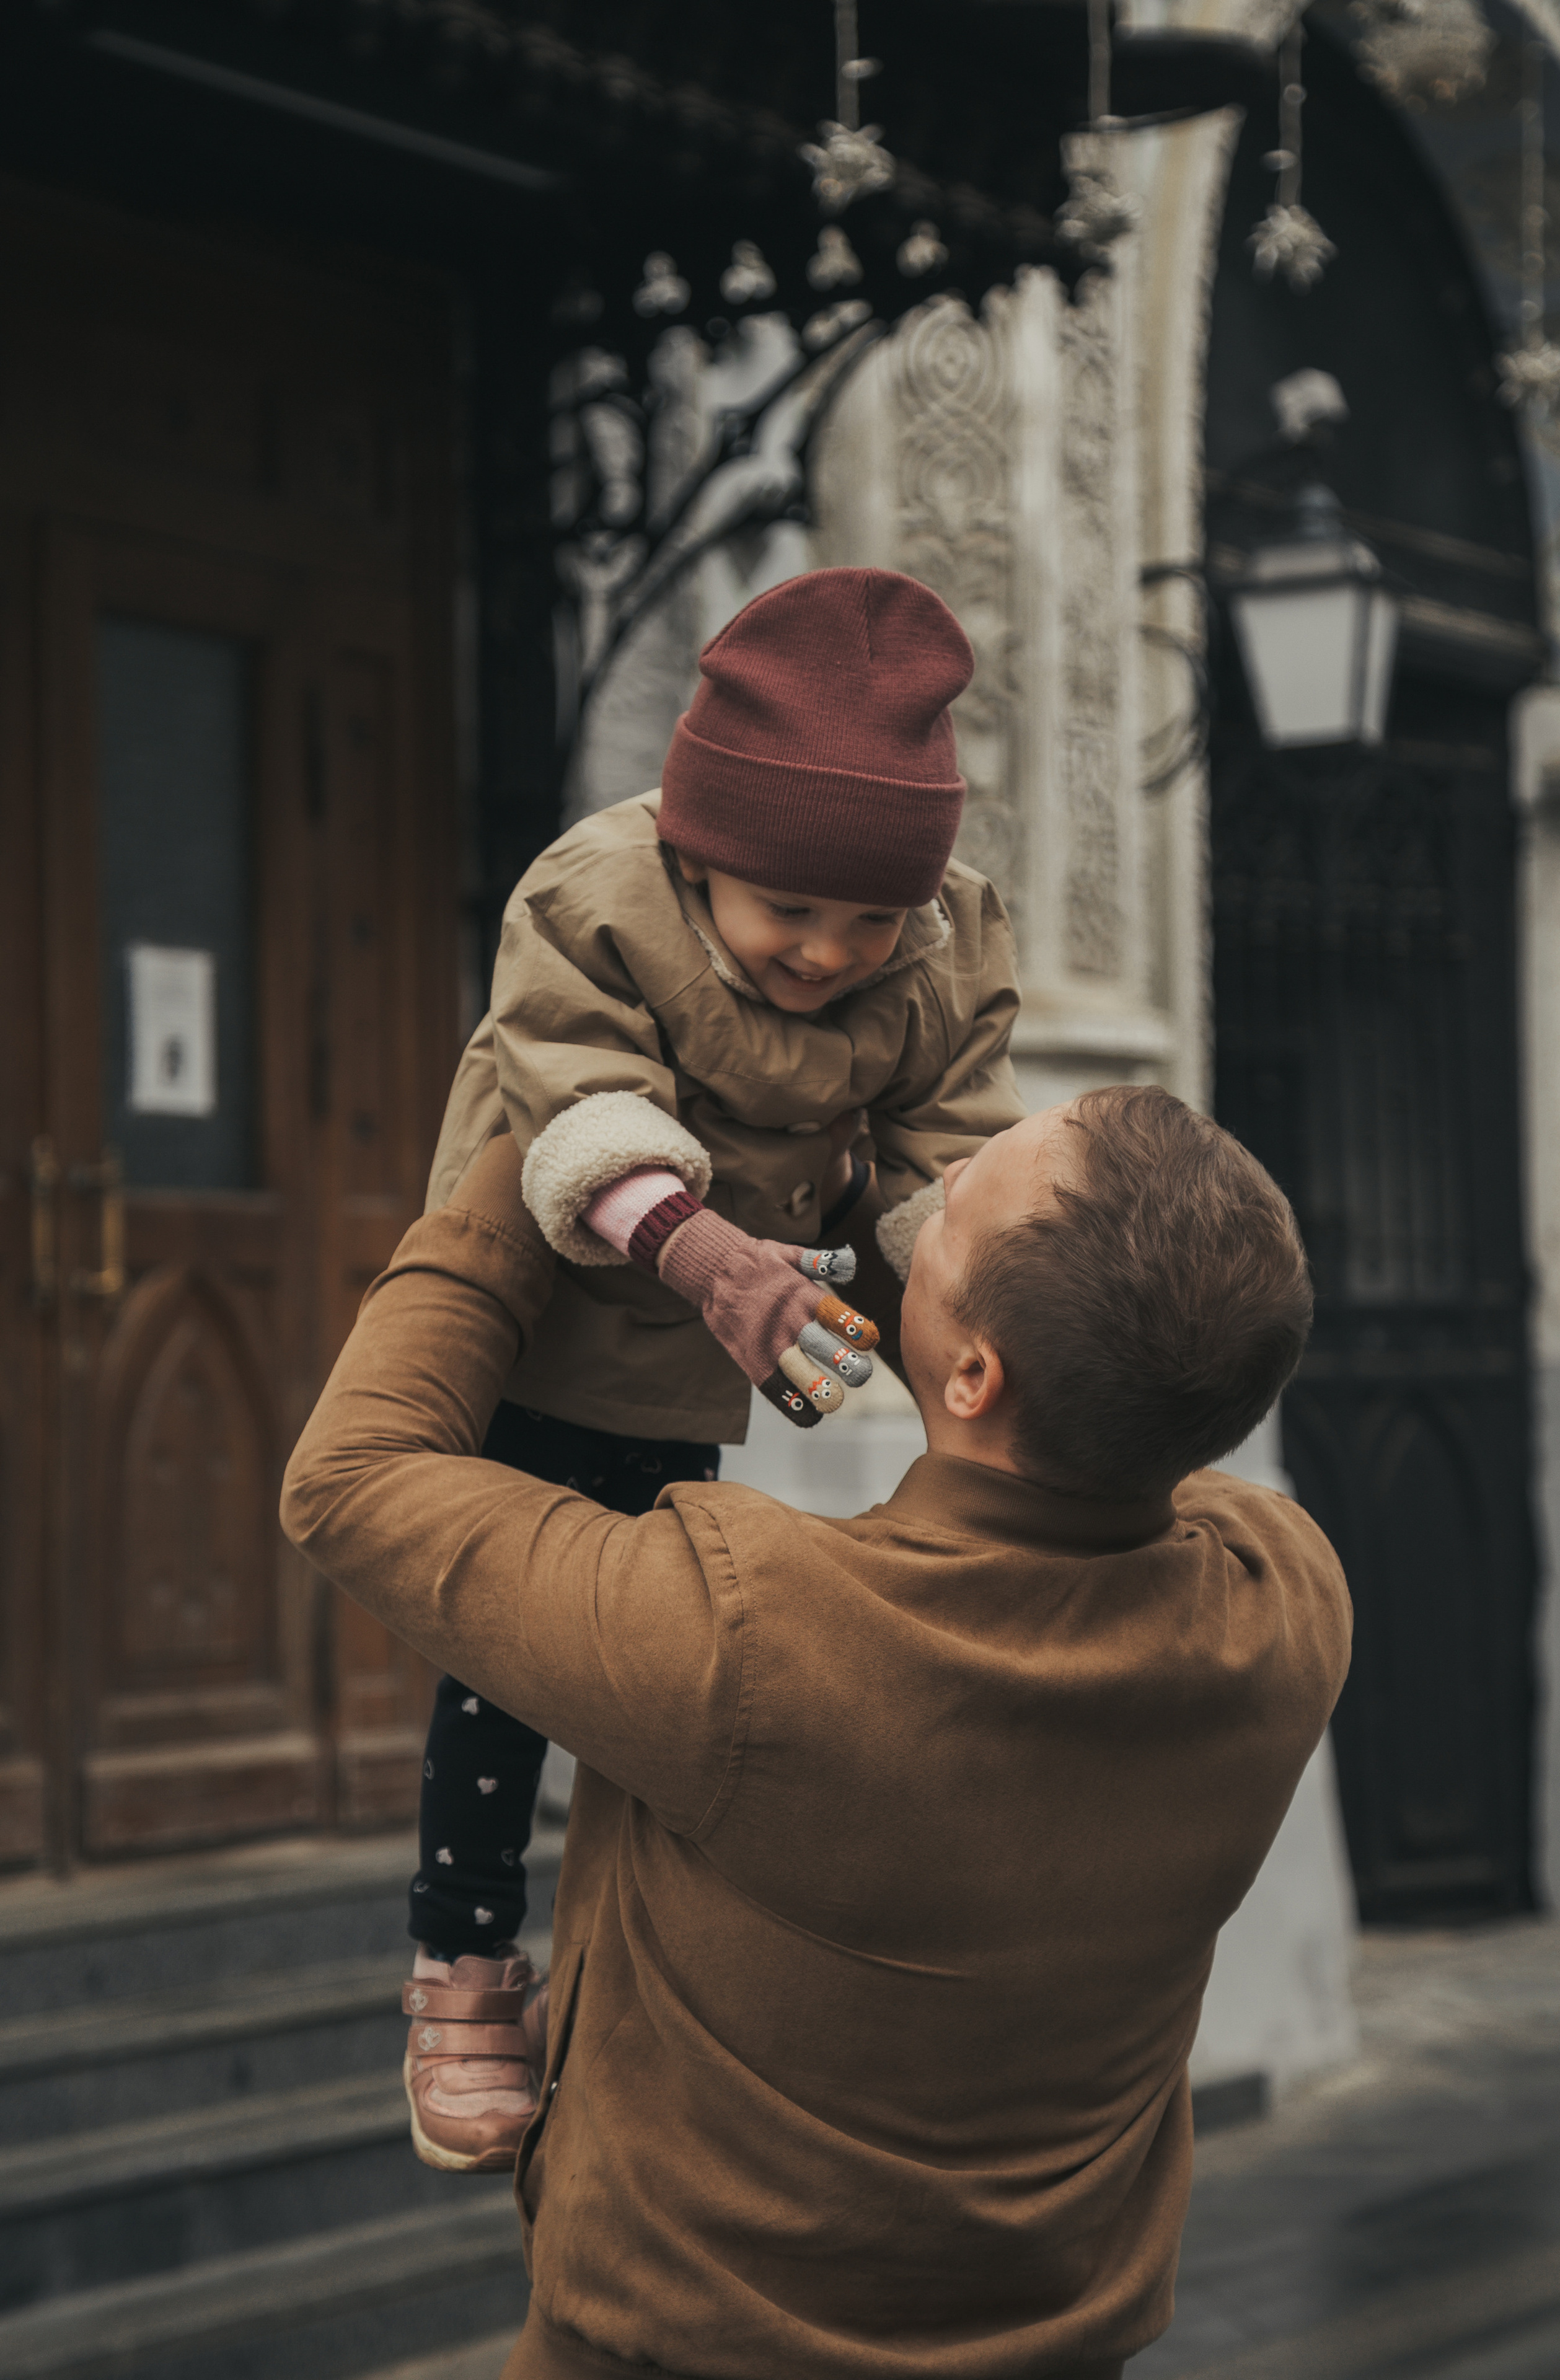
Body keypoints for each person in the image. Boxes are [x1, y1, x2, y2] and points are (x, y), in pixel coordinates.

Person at [281, 1082, 1351, 2380]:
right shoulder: (1284, 1603)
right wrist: (852, 1205)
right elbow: (1119, 1413)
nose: (928, 1189)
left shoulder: (752, 1635)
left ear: (974, 1372)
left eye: (952, 1203)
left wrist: (548, 1139)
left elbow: (351, 1480)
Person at [395, 566, 1024, 2169]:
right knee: (503, 1657)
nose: (826, 952)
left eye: (868, 922)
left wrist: (979, 1317)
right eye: (786, 912)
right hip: (544, 1295)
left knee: (657, 1659)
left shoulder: (944, 948)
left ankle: (633, 1963)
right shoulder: (595, 893)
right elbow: (578, 1094)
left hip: (691, 1355)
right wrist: (700, 1252)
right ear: (695, 850)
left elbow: (949, 1153)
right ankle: (461, 1963)